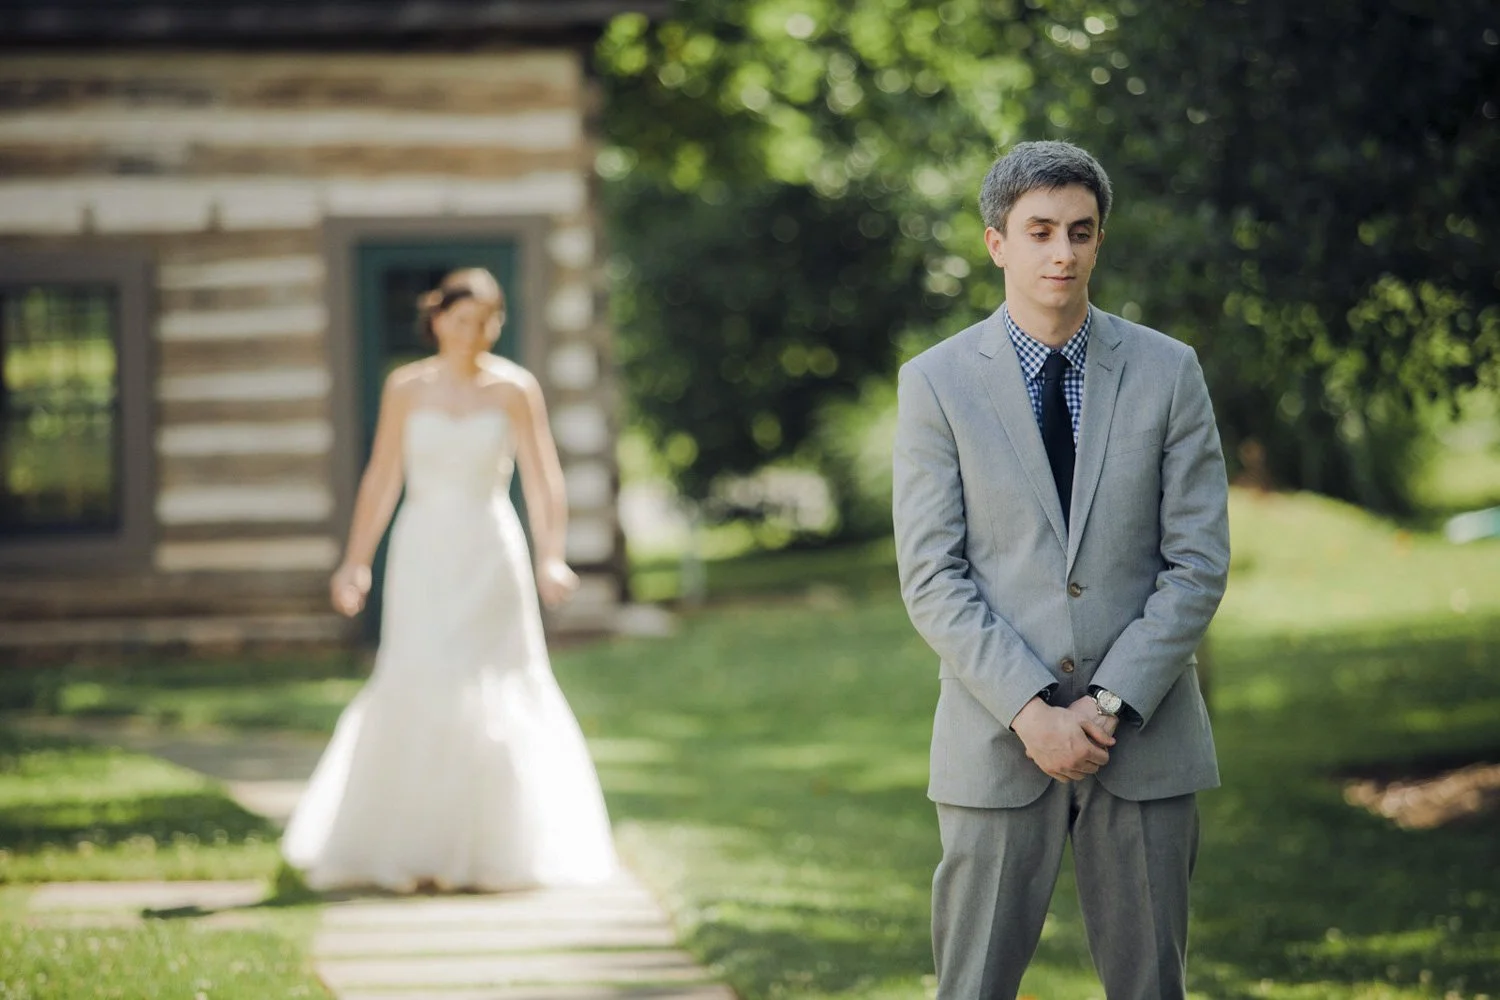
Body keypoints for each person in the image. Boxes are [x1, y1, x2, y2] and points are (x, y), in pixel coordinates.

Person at [892, 140, 1231, 997]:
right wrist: (1032, 712)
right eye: (1039, 231)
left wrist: (1107, 705)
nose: (1063, 252)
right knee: (970, 987)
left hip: (1144, 740)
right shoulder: (935, 384)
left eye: (1080, 232)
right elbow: (933, 575)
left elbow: (1196, 562)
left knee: (1152, 986)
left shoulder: (1169, 371)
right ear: (996, 242)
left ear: (1099, 240)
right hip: (996, 742)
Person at [281, 267, 616, 892]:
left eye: (488, 321)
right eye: (463, 320)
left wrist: (551, 555)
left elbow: (544, 479)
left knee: (495, 681)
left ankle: (497, 849)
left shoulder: (516, 389)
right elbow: (383, 477)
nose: (474, 333)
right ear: (437, 320)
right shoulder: (404, 388)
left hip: (491, 551)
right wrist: (356, 560)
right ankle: (413, 848)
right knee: (421, 672)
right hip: (423, 551)